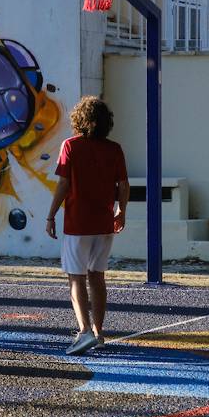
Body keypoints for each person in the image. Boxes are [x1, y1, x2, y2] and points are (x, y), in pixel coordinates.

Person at [46, 96, 128, 356]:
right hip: (104, 222)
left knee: (76, 277)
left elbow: (63, 184)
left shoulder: (70, 145)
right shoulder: (114, 149)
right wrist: (121, 210)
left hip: (78, 222)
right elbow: (123, 185)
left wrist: (50, 215)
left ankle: (83, 332)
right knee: (98, 277)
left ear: (80, 120)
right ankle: (99, 332)